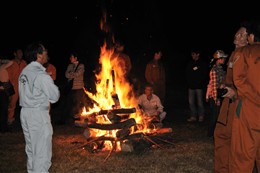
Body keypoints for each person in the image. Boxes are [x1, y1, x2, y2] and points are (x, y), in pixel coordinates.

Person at [18, 42, 60, 173]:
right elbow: (54, 96)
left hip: (25, 113)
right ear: (39, 55)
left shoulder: (24, 72)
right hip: (37, 115)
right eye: (45, 51)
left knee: (31, 149)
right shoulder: (41, 75)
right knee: (41, 152)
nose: (47, 53)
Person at [214, 25, 249, 173]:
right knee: (221, 135)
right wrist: (225, 85)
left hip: (240, 105)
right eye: (238, 32)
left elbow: (251, 84)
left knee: (237, 142)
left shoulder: (249, 56)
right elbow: (231, 79)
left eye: (242, 34)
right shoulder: (234, 55)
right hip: (227, 104)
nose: (238, 35)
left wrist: (235, 93)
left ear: (249, 39)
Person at [230, 21, 260, 172]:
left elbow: (239, 80)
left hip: (249, 112)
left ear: (252, 36)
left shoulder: (245, 53)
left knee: (243, 155)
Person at [206, 50, 228, 137]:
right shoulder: (214, 70)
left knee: (218, 115)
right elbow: (214, 86)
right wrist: (217, 99)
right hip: (215, 96)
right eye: (223, 58)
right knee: (214, 116)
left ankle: (216, 133)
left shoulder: (220, 69)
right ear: (219, 59)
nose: (225, 60)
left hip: (220, 95)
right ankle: (210, 134)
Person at [62, 52, 86, 123]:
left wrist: (71, 74)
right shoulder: (70, 66)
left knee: (77, 104)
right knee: (69, 104)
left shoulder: (81, 65)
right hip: (71, 88)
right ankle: (69, 119)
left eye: (71, 57)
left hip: (78, 87)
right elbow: (66, 75)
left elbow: (78, 74)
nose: (70, 59)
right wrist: (73, 74)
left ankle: (77, 119)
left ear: (76, 58)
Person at [185, 49, 208, 122]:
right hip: (191, 87)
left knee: (200, 102)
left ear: (198, 54)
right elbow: (187, 73)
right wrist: (189, 83)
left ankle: (201, 116)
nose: (192, 56)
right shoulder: (190, 63)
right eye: (192, 54)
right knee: (191, 102)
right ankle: (193, 116)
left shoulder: (202, 64)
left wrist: (200, 83)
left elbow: (204, 74)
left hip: (199, 87)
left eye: (194, 54)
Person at [7, 48, 27, 125]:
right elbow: (7, 75)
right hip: (13, 86)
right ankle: (10, 120)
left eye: (21, 52)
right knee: (12, 104)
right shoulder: (11, 63)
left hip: (23, 86)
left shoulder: (24, 63)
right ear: (15, 54)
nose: (21, 54)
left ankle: (25, 120)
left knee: (25, 103)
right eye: (19, 52)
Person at [0, 58, 14, 133]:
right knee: (4, 110)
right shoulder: (2, 67)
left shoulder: (2, 67)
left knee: (3, 110)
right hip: (2, 91)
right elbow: (11, 62)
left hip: (4, 90)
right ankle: (3, 128)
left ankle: (3, 127)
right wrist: (2, 61)